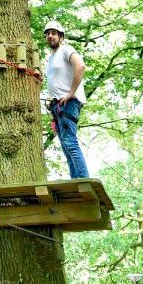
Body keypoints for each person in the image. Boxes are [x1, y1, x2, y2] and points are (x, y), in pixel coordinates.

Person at [44, 22, 90, 179]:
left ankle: (83, 179)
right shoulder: (51, 58)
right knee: (65, 145)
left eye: (54, 33)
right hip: (58, 105)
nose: (50, 36)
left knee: (70, 142)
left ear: (60, 37)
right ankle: (76, 179)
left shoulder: (66, 49)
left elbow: (80, 65)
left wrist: (71, 92)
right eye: (48, 33)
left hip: (69, 103)